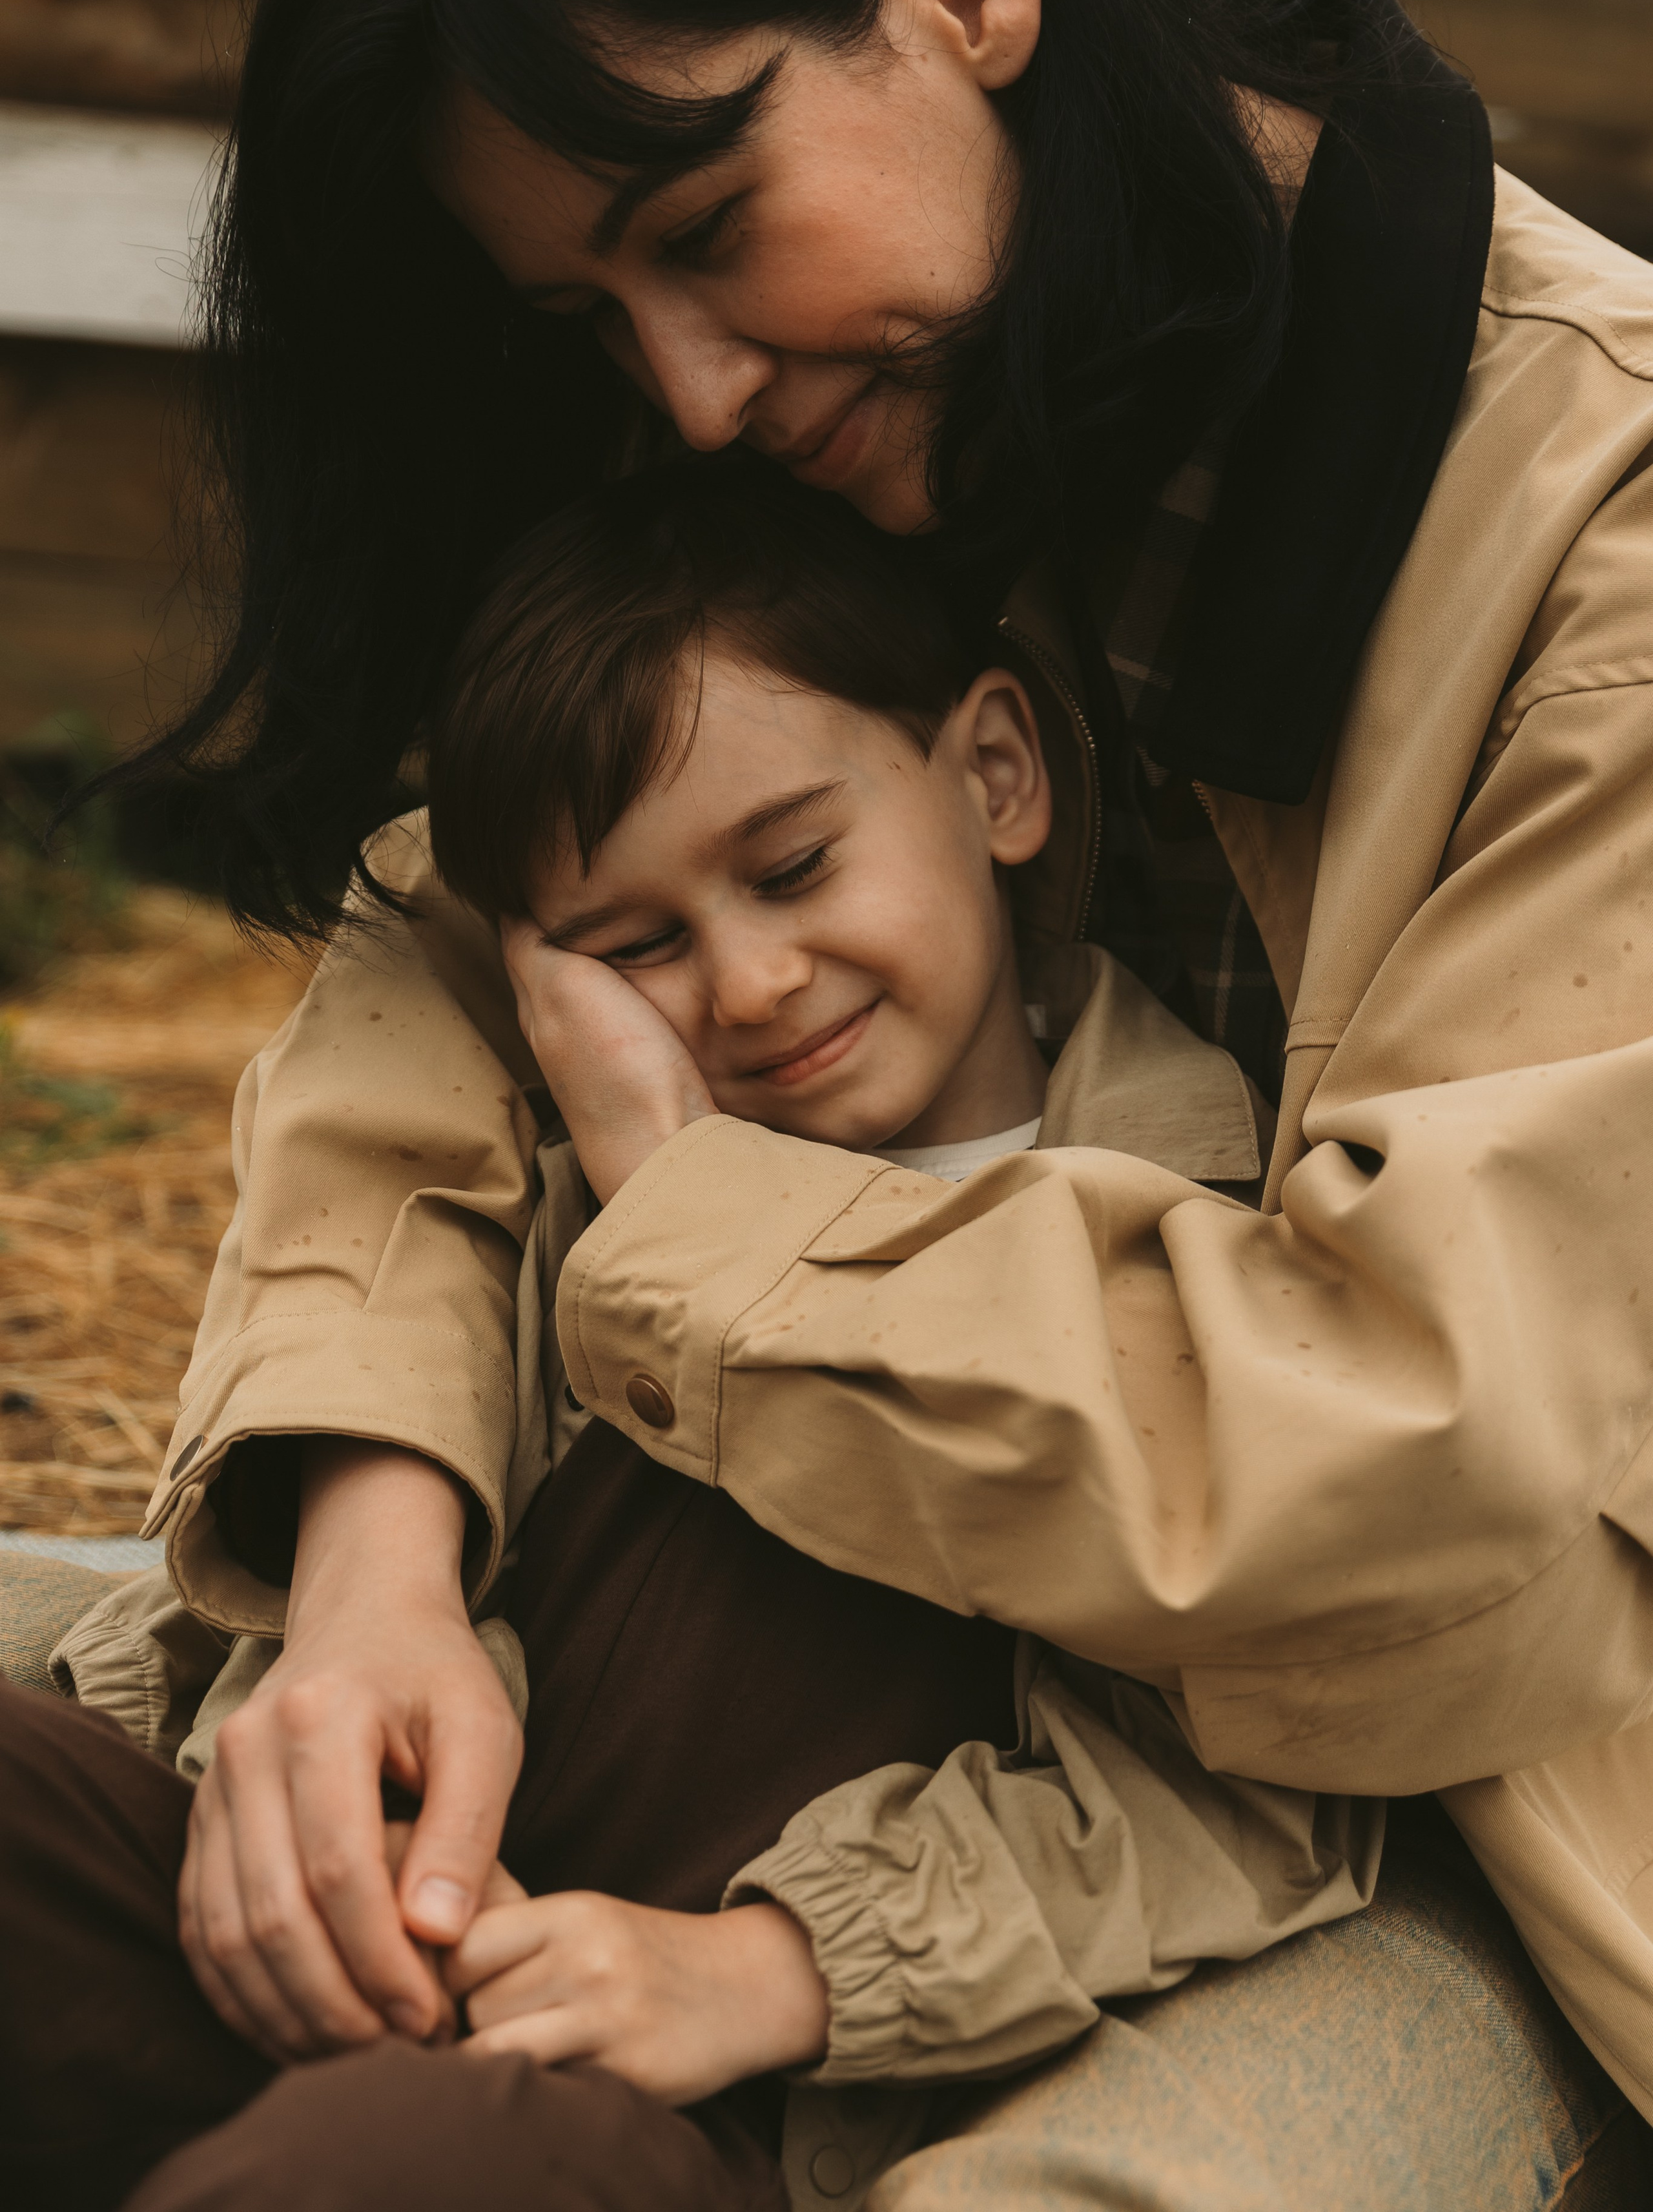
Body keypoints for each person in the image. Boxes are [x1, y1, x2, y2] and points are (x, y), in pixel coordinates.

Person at [59, 0, 1653, 2196]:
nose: (687, 390)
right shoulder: (831, 391)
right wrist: (374, 1554)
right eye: (590, 313)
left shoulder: (1606, 546)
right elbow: (457, 936)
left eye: (707, 227)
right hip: (719, 1667)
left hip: (1448, 1805)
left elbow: (1412, 1459)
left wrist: (708, 1238)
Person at [9, 466, 1391, 2209]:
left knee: (379, 2166)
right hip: (338, 1953)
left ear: (996, 772)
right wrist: (332, 1828)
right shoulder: (539, 1175)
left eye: (794, 868)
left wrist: (765, 1971)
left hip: (684, 2088)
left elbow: (1232, 1796)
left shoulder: (1181, 1243)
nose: (747, 986)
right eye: (636, 942)